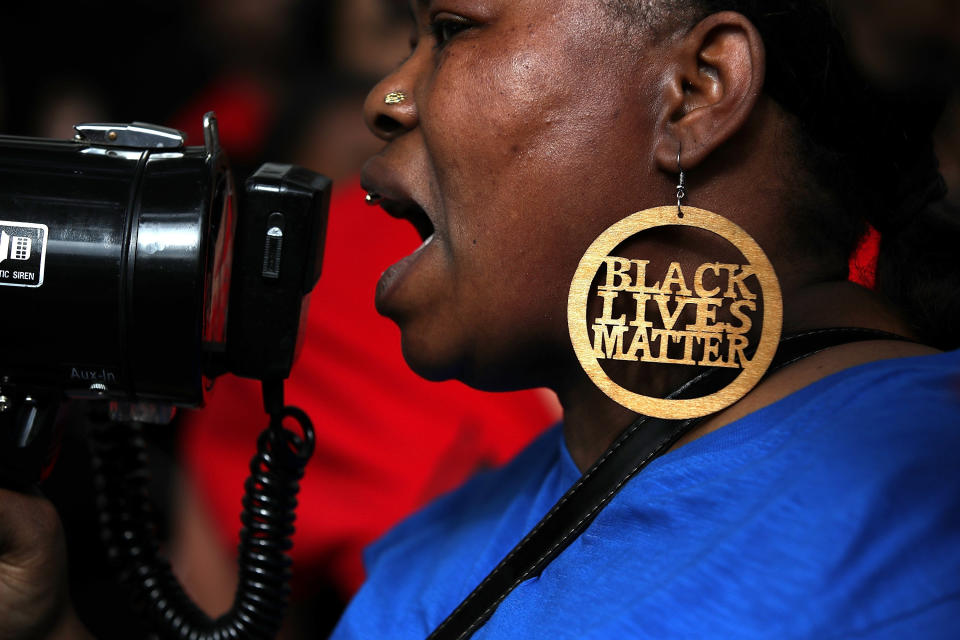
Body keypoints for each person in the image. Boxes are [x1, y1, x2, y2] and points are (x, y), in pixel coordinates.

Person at [1, 1, 959, 639]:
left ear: (696, 90)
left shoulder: (922, 509)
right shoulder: (427, 560)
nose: (387, 96)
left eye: (453, 30)